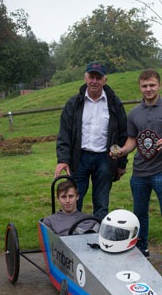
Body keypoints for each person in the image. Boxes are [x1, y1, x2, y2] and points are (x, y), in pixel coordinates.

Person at [111, 69, 162, 271]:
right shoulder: (134, 113)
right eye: (144, 86)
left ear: (159, 85)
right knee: (139, 215)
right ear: (140, 87)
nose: (148, 89)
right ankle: (141, 248)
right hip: (140, 173)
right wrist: (122, 151)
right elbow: (132, 139)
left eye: (152, 85)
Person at [55, 62, 128, 220]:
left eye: (98, 77)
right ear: (85, 78)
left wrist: (121, 163)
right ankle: (71, 235)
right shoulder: (74, 104)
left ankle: (100, 238)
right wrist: (63, 159)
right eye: (91, 77)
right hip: (79, 158)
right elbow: (64, 133)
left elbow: (123, 134)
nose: (94, 81)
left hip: (104, 159)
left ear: (105, 80)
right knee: (73, 201)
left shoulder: (115, 103)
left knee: (101, 203)